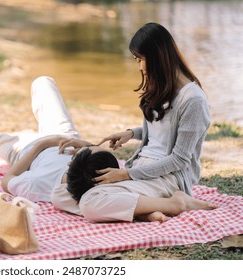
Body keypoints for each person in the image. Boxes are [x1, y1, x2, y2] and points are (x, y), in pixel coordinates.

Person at [52, 22, 217, 223]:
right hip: (141, 168)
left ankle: (177, 203)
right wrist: (132, 133)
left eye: (140, 59)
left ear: (157, 56)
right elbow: (161, 131)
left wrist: (126, 175)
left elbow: (179, 160)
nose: (139, 66)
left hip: (168, 178)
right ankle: (143, 211)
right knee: (60, 192)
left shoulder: (193, 100)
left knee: (89, 202)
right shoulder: (161, 86)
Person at [0, 76, 120, 203]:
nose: (90, 147)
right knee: (43, 82)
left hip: (27, 150)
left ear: (73, 160)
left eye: (88, 149)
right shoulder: (104, 170)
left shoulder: (38, 183)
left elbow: (7, 180)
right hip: (64, 136)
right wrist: (82, 144)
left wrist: (41, 145)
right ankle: (25, 134)